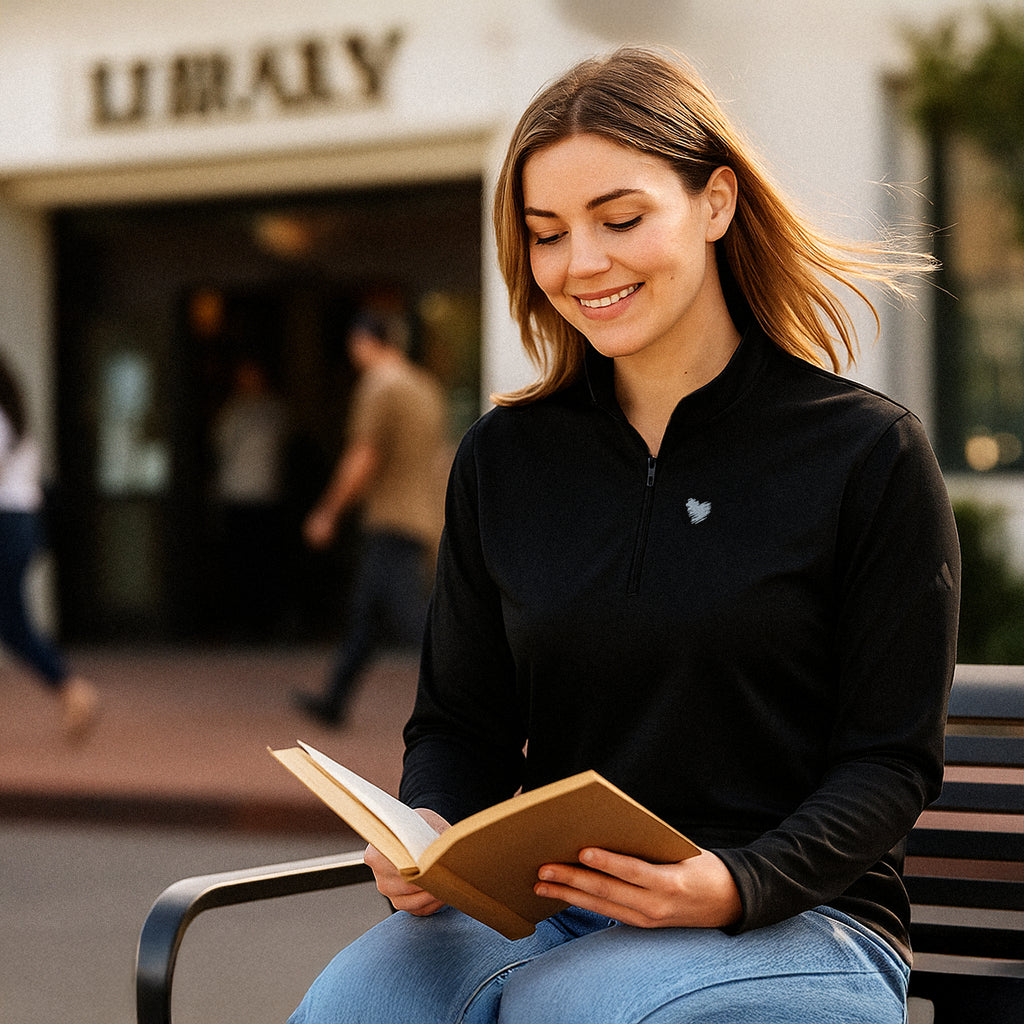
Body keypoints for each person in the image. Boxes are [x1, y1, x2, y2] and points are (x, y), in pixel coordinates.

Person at [289, 47, 960, 1023]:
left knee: (568, 1008)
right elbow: (459, 725)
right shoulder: (504, 458)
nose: (582, 264)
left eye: (620, 219)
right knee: (357, 1002)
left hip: (805, 917)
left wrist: (731, 882)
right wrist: (430, 831)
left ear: (716, 203)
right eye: (547, 234)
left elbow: (890, 761)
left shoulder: (867, 454)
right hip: (554, 909)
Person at [294, 312, 446, 726]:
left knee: (410, 618)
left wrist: (327, 512)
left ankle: (469, 691)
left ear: (362, 342)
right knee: (368, 614)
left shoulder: (380, 386)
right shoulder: (424, 385)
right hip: (421, 515)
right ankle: (334, 701)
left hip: (392, 518)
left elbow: (363, 456)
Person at [0, 352, 99, 741]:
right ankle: (71, 689)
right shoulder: (16, 423)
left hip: (7, 526)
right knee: (13, 623)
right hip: (19, 526)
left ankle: (72, 688)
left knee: (13, 623)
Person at [211, 357, 288, 641]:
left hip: (266, 495)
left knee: (264, 560)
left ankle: (265, 620)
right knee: (239, 561)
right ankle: (241, 620)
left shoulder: (274, 410)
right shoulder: (232, 412)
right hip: (236, 494)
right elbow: (218, 444)